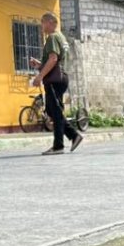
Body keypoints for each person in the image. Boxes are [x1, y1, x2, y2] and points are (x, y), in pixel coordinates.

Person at [29, 11, 84, 155]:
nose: (42, 26)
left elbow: (53, 59)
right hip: (60, 77)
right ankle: (73, 136)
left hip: (54, 80)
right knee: (52, 111)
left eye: (43, 22)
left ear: (50, 22)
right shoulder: (61, 37)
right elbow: (56, 61)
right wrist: (40, 65)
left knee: (56, 111)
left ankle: (59, 145)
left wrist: (40, 76)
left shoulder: (53, 37)